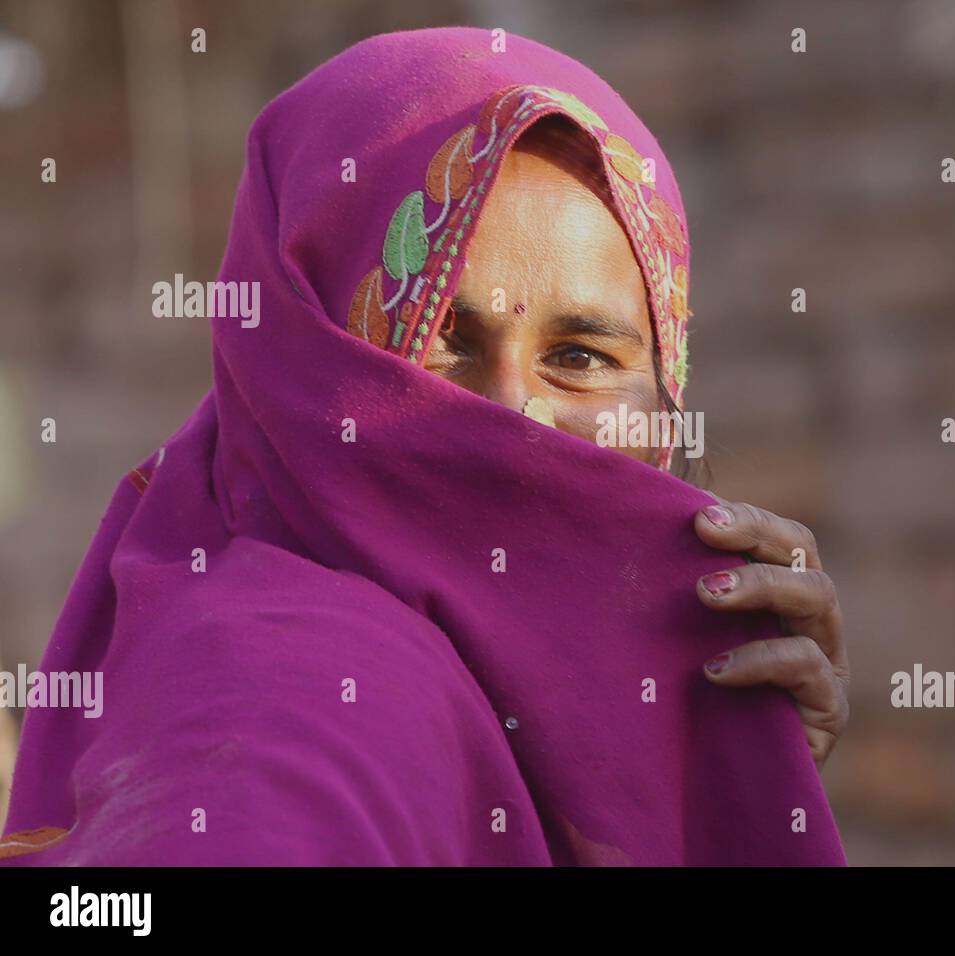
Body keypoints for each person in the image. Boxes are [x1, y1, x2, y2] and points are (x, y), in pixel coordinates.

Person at [0, 27, 847, 866]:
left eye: (581, 359)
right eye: (441, 339)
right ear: (297, 362)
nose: (516, 416)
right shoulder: (286, 719)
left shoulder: (554, 710)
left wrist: (714, 778)